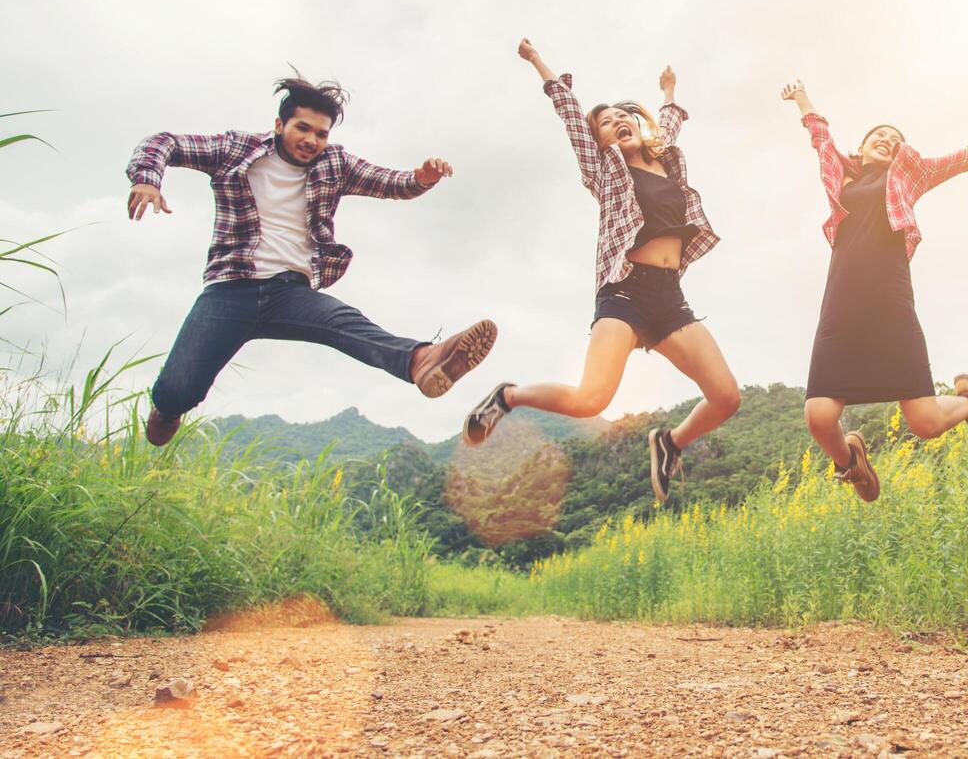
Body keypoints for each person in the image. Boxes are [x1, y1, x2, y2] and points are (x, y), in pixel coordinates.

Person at [125, 70, 495, 446]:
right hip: (230, 289)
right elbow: (164, 142)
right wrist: (147, 178)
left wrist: (421, 177)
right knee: (178, 389)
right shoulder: (235, 149)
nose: (311, 140)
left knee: (346, 322)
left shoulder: (333, 163)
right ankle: (167, 408)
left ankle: (422, 361)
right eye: (302, 129)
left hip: (291, 293)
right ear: (279, 124)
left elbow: (388, 183)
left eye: (321, 133)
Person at [463, 39, 740, 503]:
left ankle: (670, 443)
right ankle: (508, 397)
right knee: (592, 399)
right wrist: (537, 63)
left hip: (670, 299)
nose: (618, 123)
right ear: (601, 141)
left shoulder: (668, 160)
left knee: (727, 397)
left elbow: (668, 125)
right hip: (625, 294)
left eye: (623, 117)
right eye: (607, 124)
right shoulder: (604, 169)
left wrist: (670, 91)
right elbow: (571, 113)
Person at [781, 79, 968, 501]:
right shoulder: (839, 174)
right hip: (841, 308)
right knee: (818, 415)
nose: (887, 140)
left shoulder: (909, 177)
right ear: (860, 149)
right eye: (878, 136)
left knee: (925, 423)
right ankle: (852, 463)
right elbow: (819, 134)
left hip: (891, 304)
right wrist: (801, 97)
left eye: (896, 140)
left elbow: (966, 157)